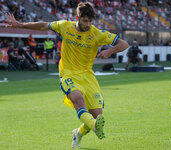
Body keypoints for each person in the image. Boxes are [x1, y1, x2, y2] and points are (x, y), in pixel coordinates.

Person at [4, 2, 129, 148]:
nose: (87, 24)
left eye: (90, 21)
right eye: (84, 20)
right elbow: (43, 25)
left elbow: (124, 44)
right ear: (77, 17)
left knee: (96, 116)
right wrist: (20, 25)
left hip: (87, 76)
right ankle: (93, 126)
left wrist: (109, 51)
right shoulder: (64, 26)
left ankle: (79, 132)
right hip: (68, 73)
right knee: (77, 98)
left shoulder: (97, 33)